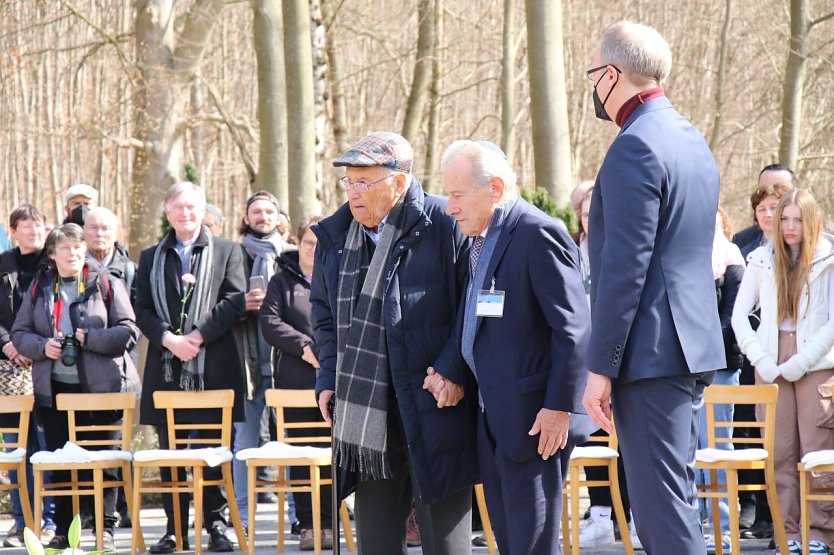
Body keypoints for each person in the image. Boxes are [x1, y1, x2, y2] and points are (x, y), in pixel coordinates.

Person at [581, 21, 725, 554]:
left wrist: (600, 367)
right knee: (675, 501)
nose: (593, 86)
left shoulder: (633, 146)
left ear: (613, 74)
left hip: (650, 353)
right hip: (689, 348)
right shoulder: (690, 137)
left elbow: (625, 269)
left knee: (659, 509)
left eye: (595, 74)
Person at [312, 132, 476, 555]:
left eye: (363, 182)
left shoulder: (445, 221)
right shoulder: (335, 236)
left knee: (447, 546)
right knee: (377, 545)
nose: (353, 193)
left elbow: (472, 303)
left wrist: (454, 368)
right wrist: (329, 376)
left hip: (435, 405)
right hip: (368, 414)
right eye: (348, 183)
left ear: (398, 183)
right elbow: (324, 316)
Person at [428, 140, 593, 554]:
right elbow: (476, 318)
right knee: (509, 539)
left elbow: (574, 331)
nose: (450, 207)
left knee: (532, 542)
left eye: (458, 195)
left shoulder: (538, 233)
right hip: (494, 414)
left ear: (495, 189)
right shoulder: (482, 238)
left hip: (537, 420)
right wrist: (452, 371)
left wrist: (559, 408)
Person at [11, 223, 140, 552]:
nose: (72, 253)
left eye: (78, 247)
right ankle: (65, 530)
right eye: (65, 248)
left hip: (101, 390)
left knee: (105, 462)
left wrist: (88, 339)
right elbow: (19, 333)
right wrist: (43, 347)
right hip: (55, 392)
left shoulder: (104, 282)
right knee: (61, 463)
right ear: (52, 255)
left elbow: (128, 331)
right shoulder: (41, 287)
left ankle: (105, 529)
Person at [134, 181, 246, 554]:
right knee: (171, 452)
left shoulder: (228, 250)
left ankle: (215, 525)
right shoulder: (150, 257)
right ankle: (174, 529)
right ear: (168, 212)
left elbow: (234, 300)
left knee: (214, 450)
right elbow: (142, 307)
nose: (186, 214)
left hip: (215, 364)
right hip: (166, 367)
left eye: (192, 207)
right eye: (178, 207)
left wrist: (196, 337)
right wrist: (170, 340)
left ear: (203, 210)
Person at [732, 189, 834, 555]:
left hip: (816, 365)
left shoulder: (829, 257)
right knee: (779, 453)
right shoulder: (760, 259)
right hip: (770, 363)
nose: (790, 227)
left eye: (797, 219)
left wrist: (800, 362)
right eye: (784, 219)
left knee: (817, 453)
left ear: (811, 221)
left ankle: (821, 535)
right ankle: (787, 533)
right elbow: (739, 316)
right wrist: (760, 359)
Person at [569, 183, 638, 550]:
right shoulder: (571, 252)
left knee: (627, 441)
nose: (589, 218)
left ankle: (633, 516)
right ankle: (599, 515)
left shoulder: (623, 249)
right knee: (595, 435)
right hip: (585, 359)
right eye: (584, 212)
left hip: (624, 358)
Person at [259, 215, 331, 551]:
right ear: (298, 243)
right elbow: (269, 322)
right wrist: (304, 347)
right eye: (308, 243)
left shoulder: (337, 277)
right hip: (294, 380)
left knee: (331, 453)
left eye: (320, 245)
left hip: (333, 380)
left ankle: (330, 521)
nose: (314, 250)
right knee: (301, 454)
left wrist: (327, 352)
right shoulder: (281, 281)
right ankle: (306, 524)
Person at [733, 176, 793, 541]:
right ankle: (778, 522)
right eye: (762, 210)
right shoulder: (750, 252)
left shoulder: (821, 249)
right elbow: (740, 312)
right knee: (770, 444)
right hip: (760, 358)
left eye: (777, 207)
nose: (769, 215)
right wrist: (758, 356)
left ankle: (811, 525)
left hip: (807, 361)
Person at [0, 205, 57, 546]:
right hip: (7, 366)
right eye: (26, 225)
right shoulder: (2, 266)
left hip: (45, 362)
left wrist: (33, 348)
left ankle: (47, 518)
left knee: (47, 443)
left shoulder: (53, 265)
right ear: (13, 231)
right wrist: (9, 346)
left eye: (38, 225)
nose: (33, 231)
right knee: (15, 445)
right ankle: (22, 521)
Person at [231, 190, 285, 533]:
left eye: (268, 211)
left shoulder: (292, 256)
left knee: (293, 442)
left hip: (286, 363)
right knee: (244, 441)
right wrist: (243, 305)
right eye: (256, 211)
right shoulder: (233, 255)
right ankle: (242, 517)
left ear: (279, 218)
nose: (262, 216)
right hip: (247, 363)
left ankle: (301, 516)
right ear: (247, 218)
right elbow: (217, 305)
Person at [697, 208, 745, 552]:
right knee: (692, 450)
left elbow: (732, 316)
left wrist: (701, 347)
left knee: (718, 447)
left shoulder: (731, 258)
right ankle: (695, 524)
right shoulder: (688, 257)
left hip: (722, 366)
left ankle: (723, 525)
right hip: (687, 371)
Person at [732, 165, 796, 255]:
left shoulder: (813, 239)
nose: (771, 192)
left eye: (781, 189)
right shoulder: (743, 241)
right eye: (765, 188)